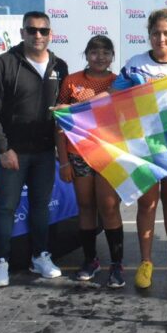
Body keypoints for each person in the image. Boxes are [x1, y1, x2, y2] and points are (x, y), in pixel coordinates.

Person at [112, 8, 167, 289]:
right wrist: (78, 108)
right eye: (156, 33)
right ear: (149, 35)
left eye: (166, 33)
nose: (161, 38)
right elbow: (113, 98)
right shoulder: (136, 64)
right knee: (147, 203)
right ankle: (146, 262)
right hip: (144, 144)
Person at [0, 11, 68, 288]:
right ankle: (0, 262)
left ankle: (40, 256)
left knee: (41, 207)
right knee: (6, 207)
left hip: (44, 153)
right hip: (12, 152)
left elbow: (66, 108)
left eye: (43, 30)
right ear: (22, 33)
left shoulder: (60, 66)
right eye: (32, 30)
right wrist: (3, 148)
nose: (37, 35)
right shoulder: (2, 64)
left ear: (50, 34)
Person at [56, 35, 125, 288]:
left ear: (112, 56)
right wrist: (63, 162)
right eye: (94, 52)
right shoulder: (72, 82)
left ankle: (117, 264)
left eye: (106, 52)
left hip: (108, 156)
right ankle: (90, 260)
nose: (100, 57)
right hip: (78, 155)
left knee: (108, 208)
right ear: (86, 54)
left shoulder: (119, 83)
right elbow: (60, 121)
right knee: (86, 207)